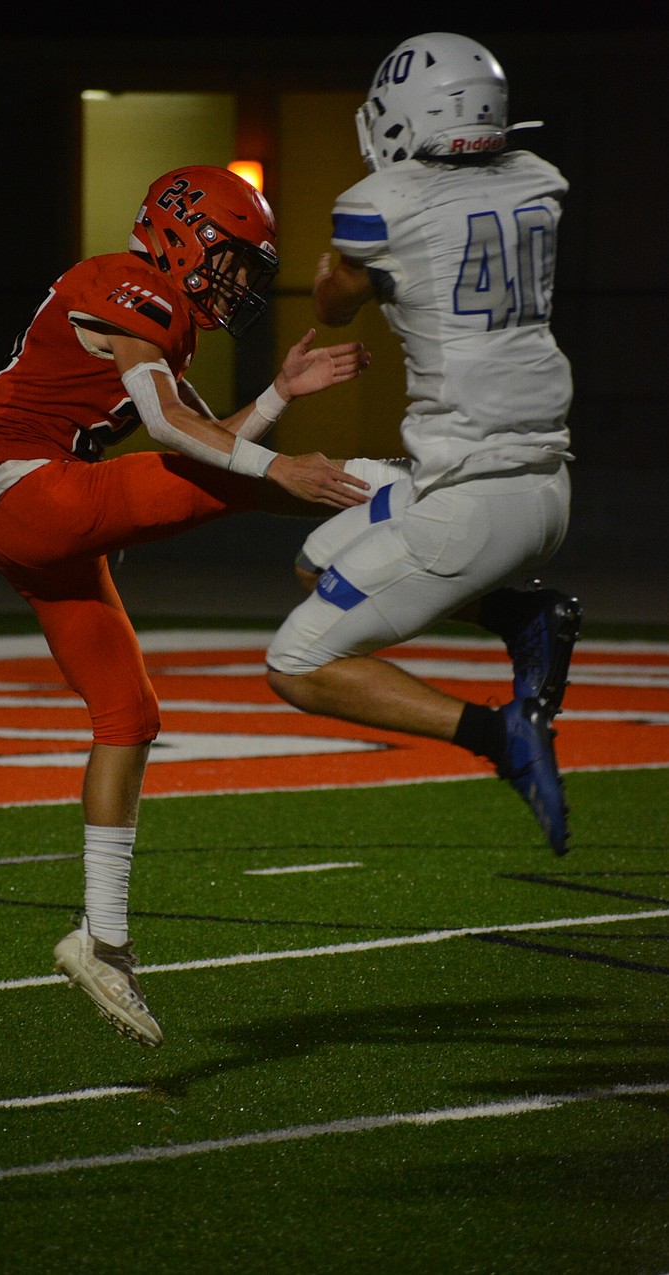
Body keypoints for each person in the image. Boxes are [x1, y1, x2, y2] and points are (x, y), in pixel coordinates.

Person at [0, 165, 371, 1048]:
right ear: (183, 236)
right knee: (254, 489)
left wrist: (281, 397)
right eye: (234, 258)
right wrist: (285, 468)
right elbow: (177, 429)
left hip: (32, 516)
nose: (241, 282)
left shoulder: (157, 315)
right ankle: (407, 495)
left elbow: (203, 438)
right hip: (35, 493)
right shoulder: (127, 280)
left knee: (130, 714)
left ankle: (102, 940)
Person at [266, 32, 583, 859]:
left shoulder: (387, 202)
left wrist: (345, 259)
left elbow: (333, 300)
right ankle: (524, 613)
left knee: (295, 663)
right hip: (536, 479)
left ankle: (498, 735)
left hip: (476, 504)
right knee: (316, 554)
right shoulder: (540, 181)